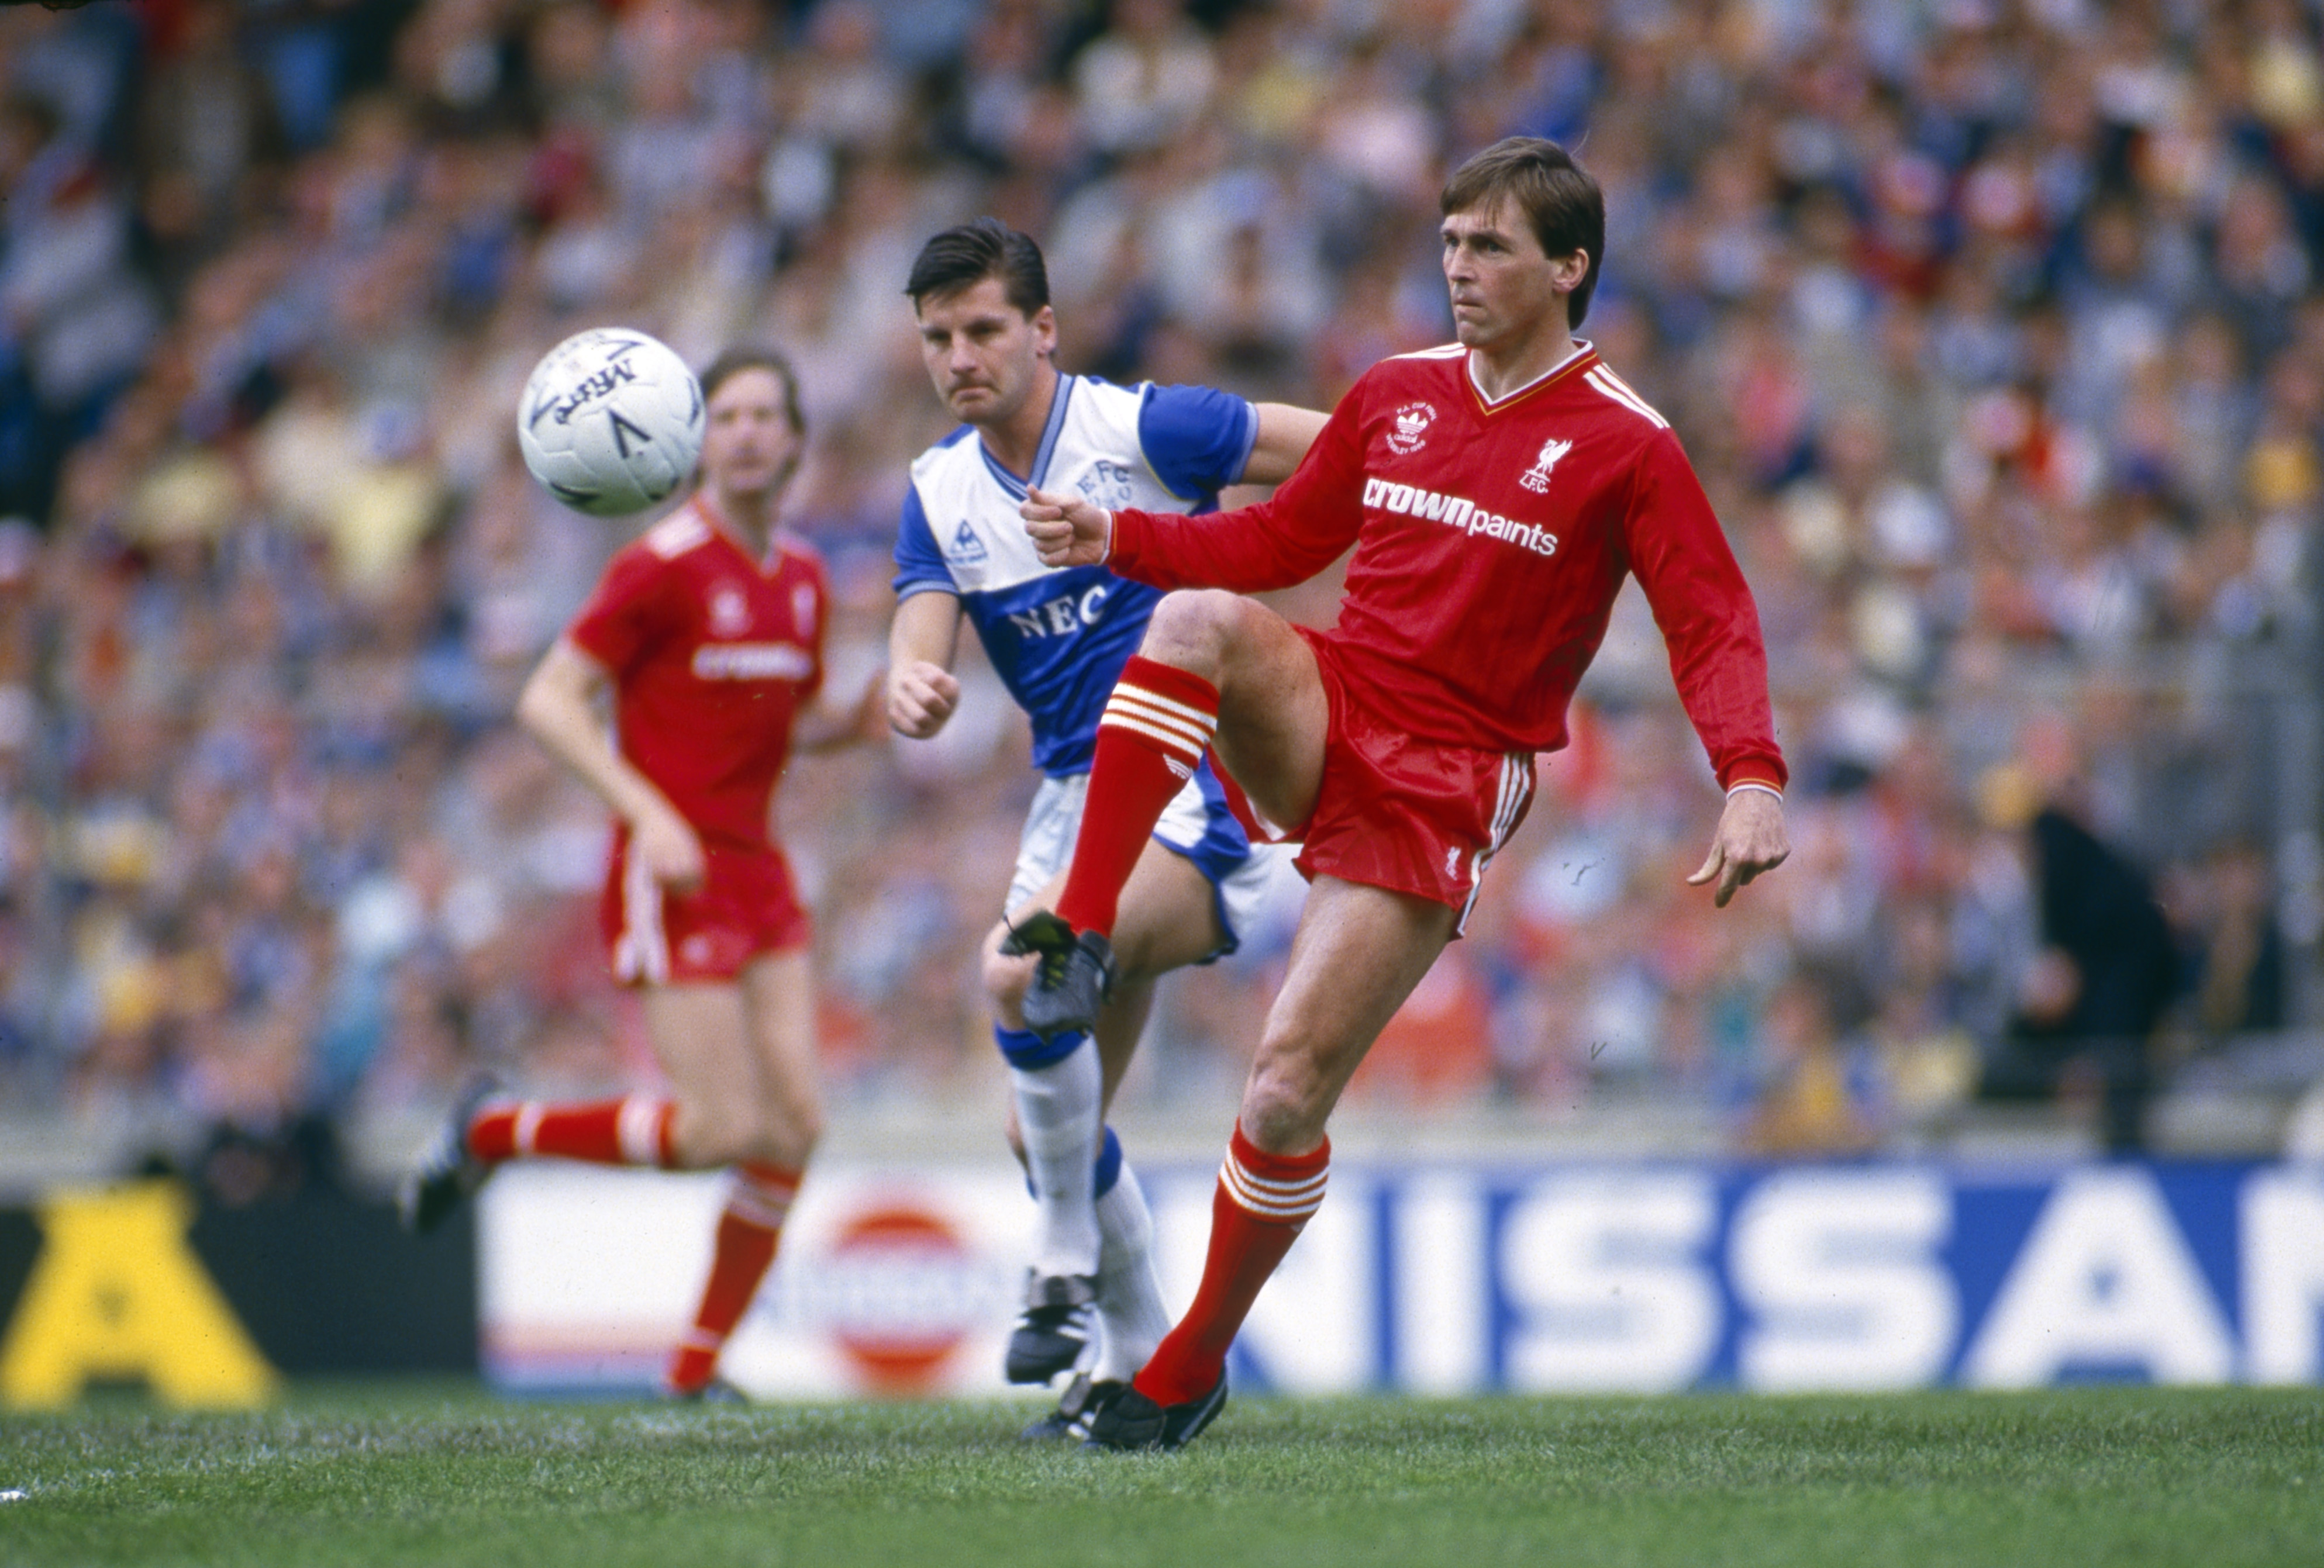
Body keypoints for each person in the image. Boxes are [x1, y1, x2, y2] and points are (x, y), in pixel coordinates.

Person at [1017, 136, 1793, 1449]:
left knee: (1278, 1094)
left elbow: (1711, 622)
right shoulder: (1394, 395)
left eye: (1488, 246)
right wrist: (1125, 536)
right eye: (1448, 242)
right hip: (1334, 697)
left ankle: (1185, 1371)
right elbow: (1278, 542)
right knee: (1200, 617)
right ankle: (1081, 927)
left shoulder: (1628, 448)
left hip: (1446, 776)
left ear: (1568, 267)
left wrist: (1752, 780)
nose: (1458, 267)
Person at [886, 218, 1325, 1438]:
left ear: (1043, 330)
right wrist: (909, 688)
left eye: (981, 329)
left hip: (1192, 779)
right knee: (1053, 1129)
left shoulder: (1145, 428)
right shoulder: (936, 493)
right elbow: (916, 642)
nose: (959, 356)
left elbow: (1339, 456)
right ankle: (1136, 1373)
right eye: (936, 338)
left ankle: (1060, 1269)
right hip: (1071, 805)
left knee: (1022, 973)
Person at [401, 347, 883, 1399]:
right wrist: (648, 814)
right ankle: (495, 1128)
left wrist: (862, 715)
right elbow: (549, 699)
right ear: (697, 439)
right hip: (670, 869)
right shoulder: (661, 564)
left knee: (795, 1124)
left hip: (758, 867)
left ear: (797, 441)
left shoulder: (800, 577)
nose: (750, 433)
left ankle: (692, 1371)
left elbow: (784, 720)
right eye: (732, 415)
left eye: (769, 416)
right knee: (718, 1129)